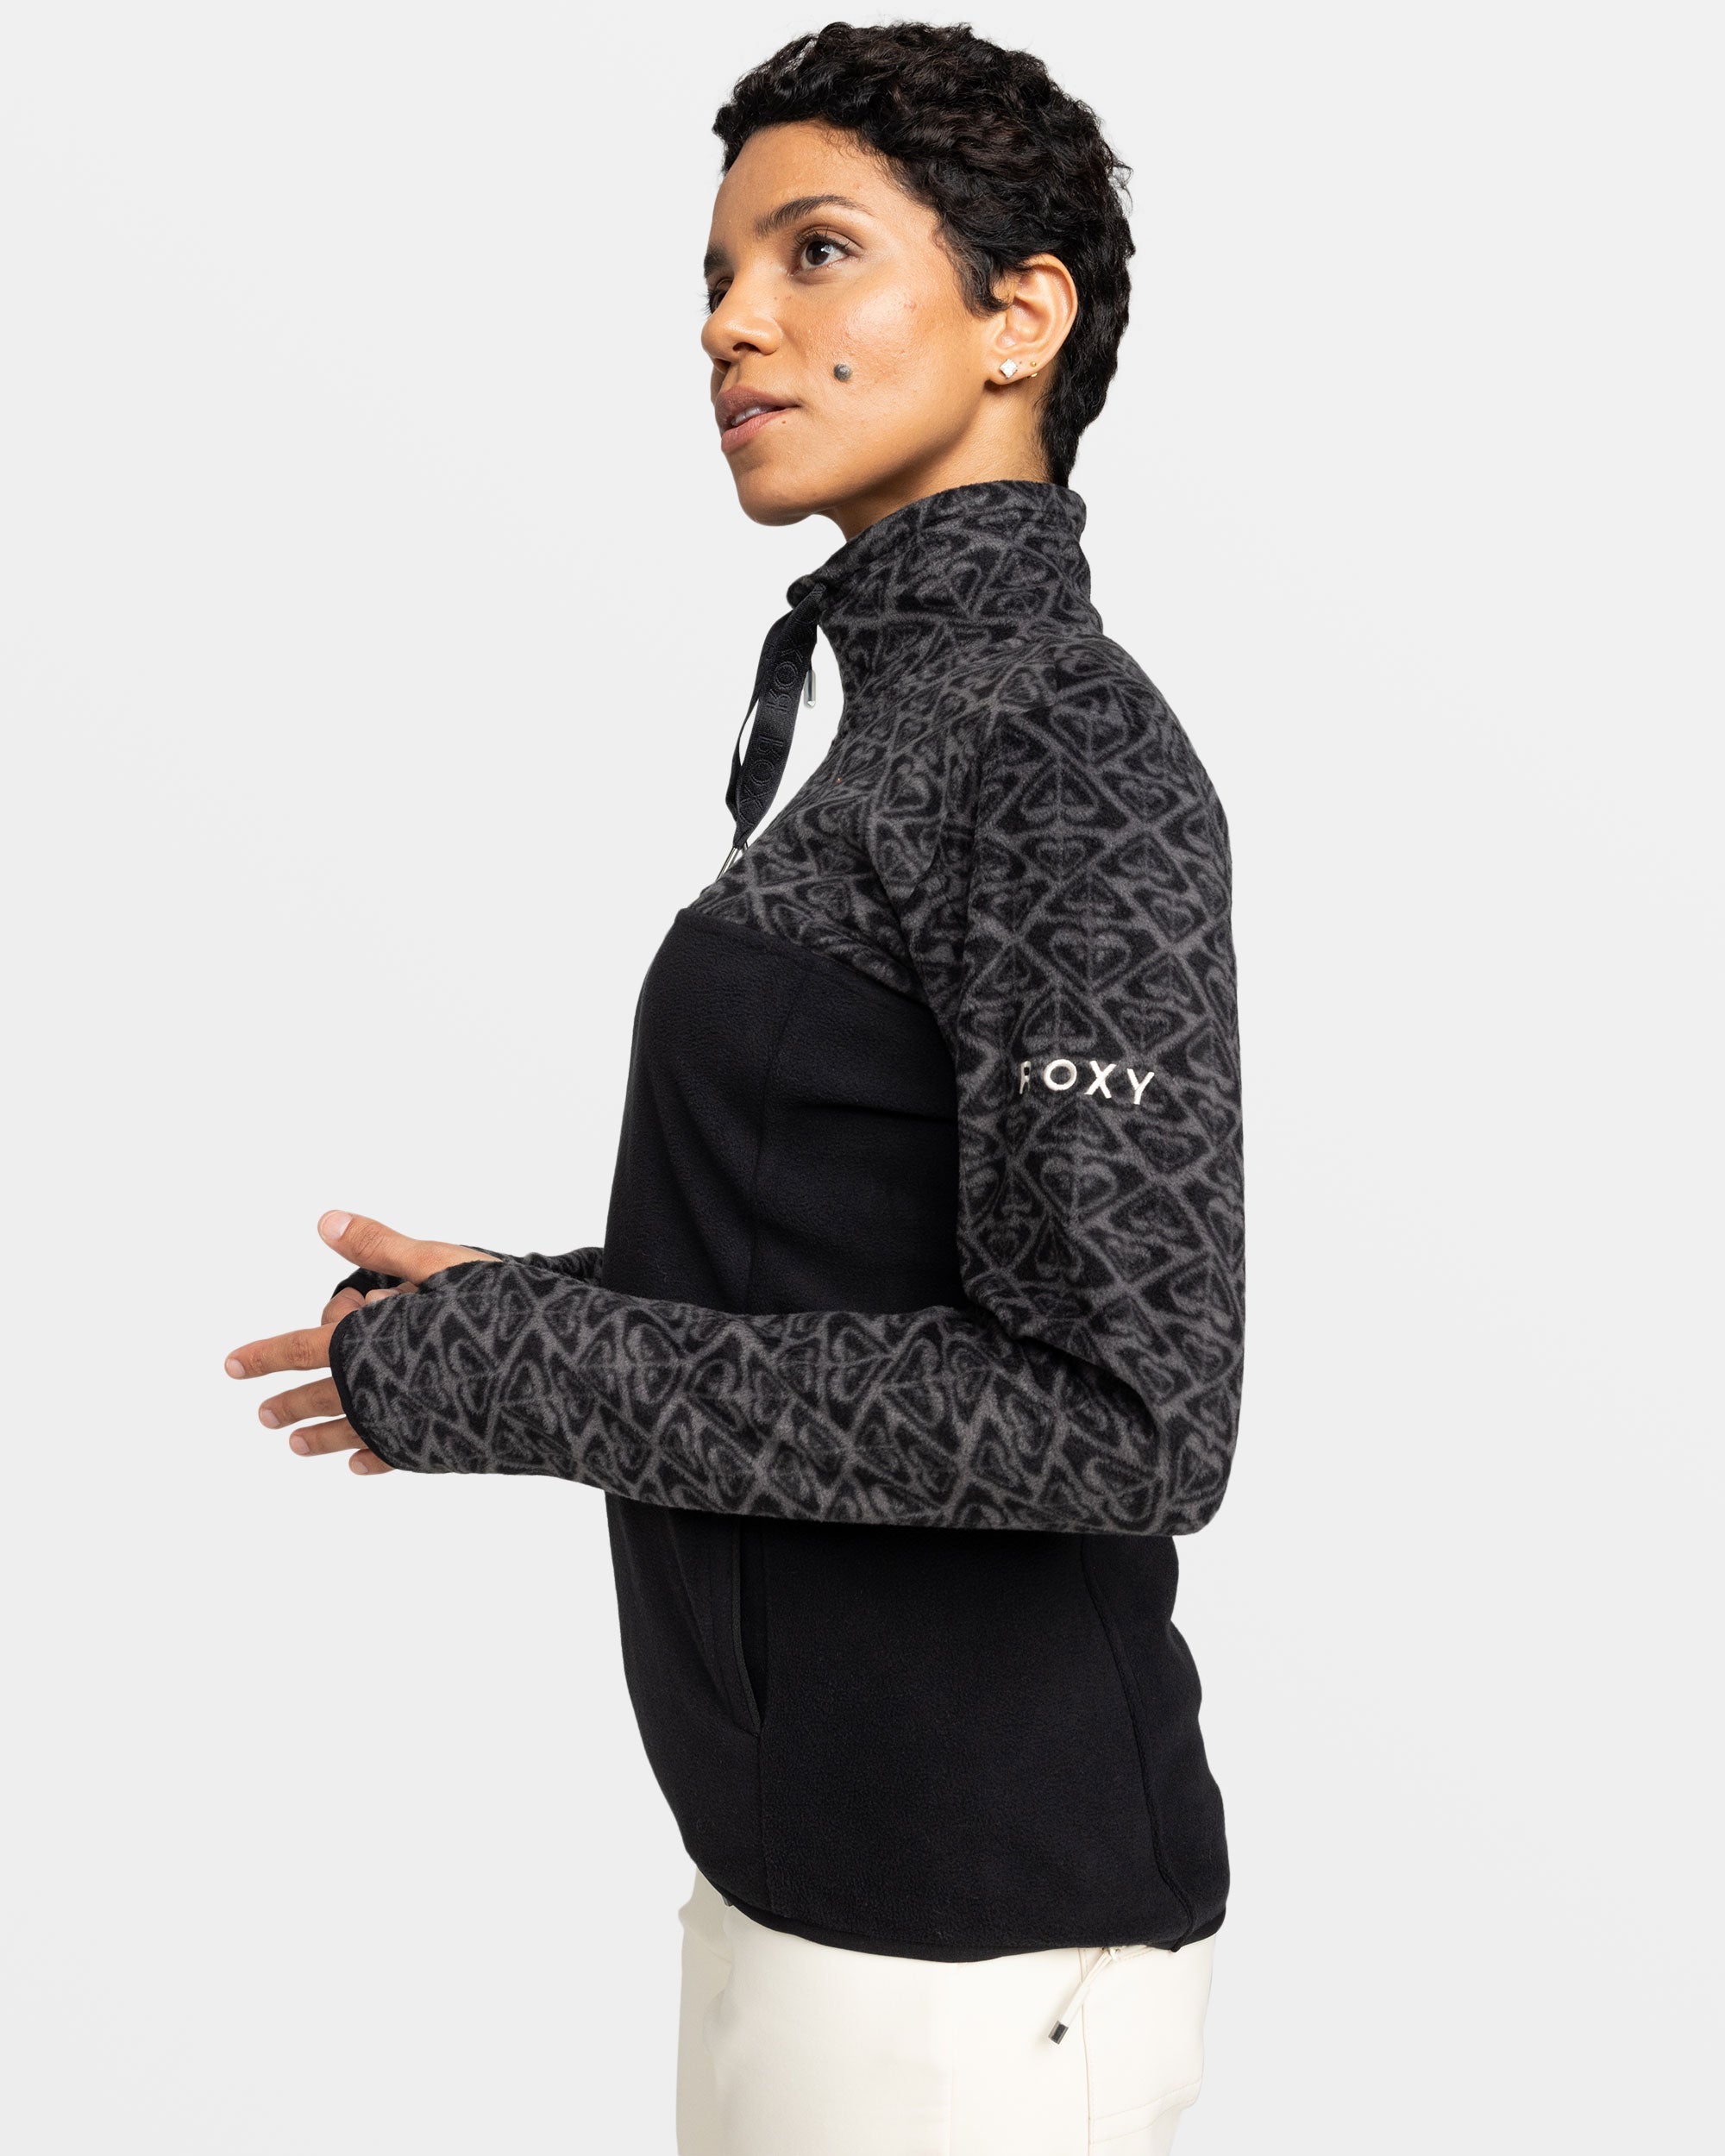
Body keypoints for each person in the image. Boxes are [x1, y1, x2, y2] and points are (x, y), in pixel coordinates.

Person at [224, 22, 1245, 2153]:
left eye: (814, 251)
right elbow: (858, 1266)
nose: (729, 320)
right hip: (806, 1897)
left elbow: (1122, 1412)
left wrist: (525, 1371)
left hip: (969, 1962)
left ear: (1020, 316)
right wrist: (521, 1302)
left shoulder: (1058, 748)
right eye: (715, 272)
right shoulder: (908, 729)